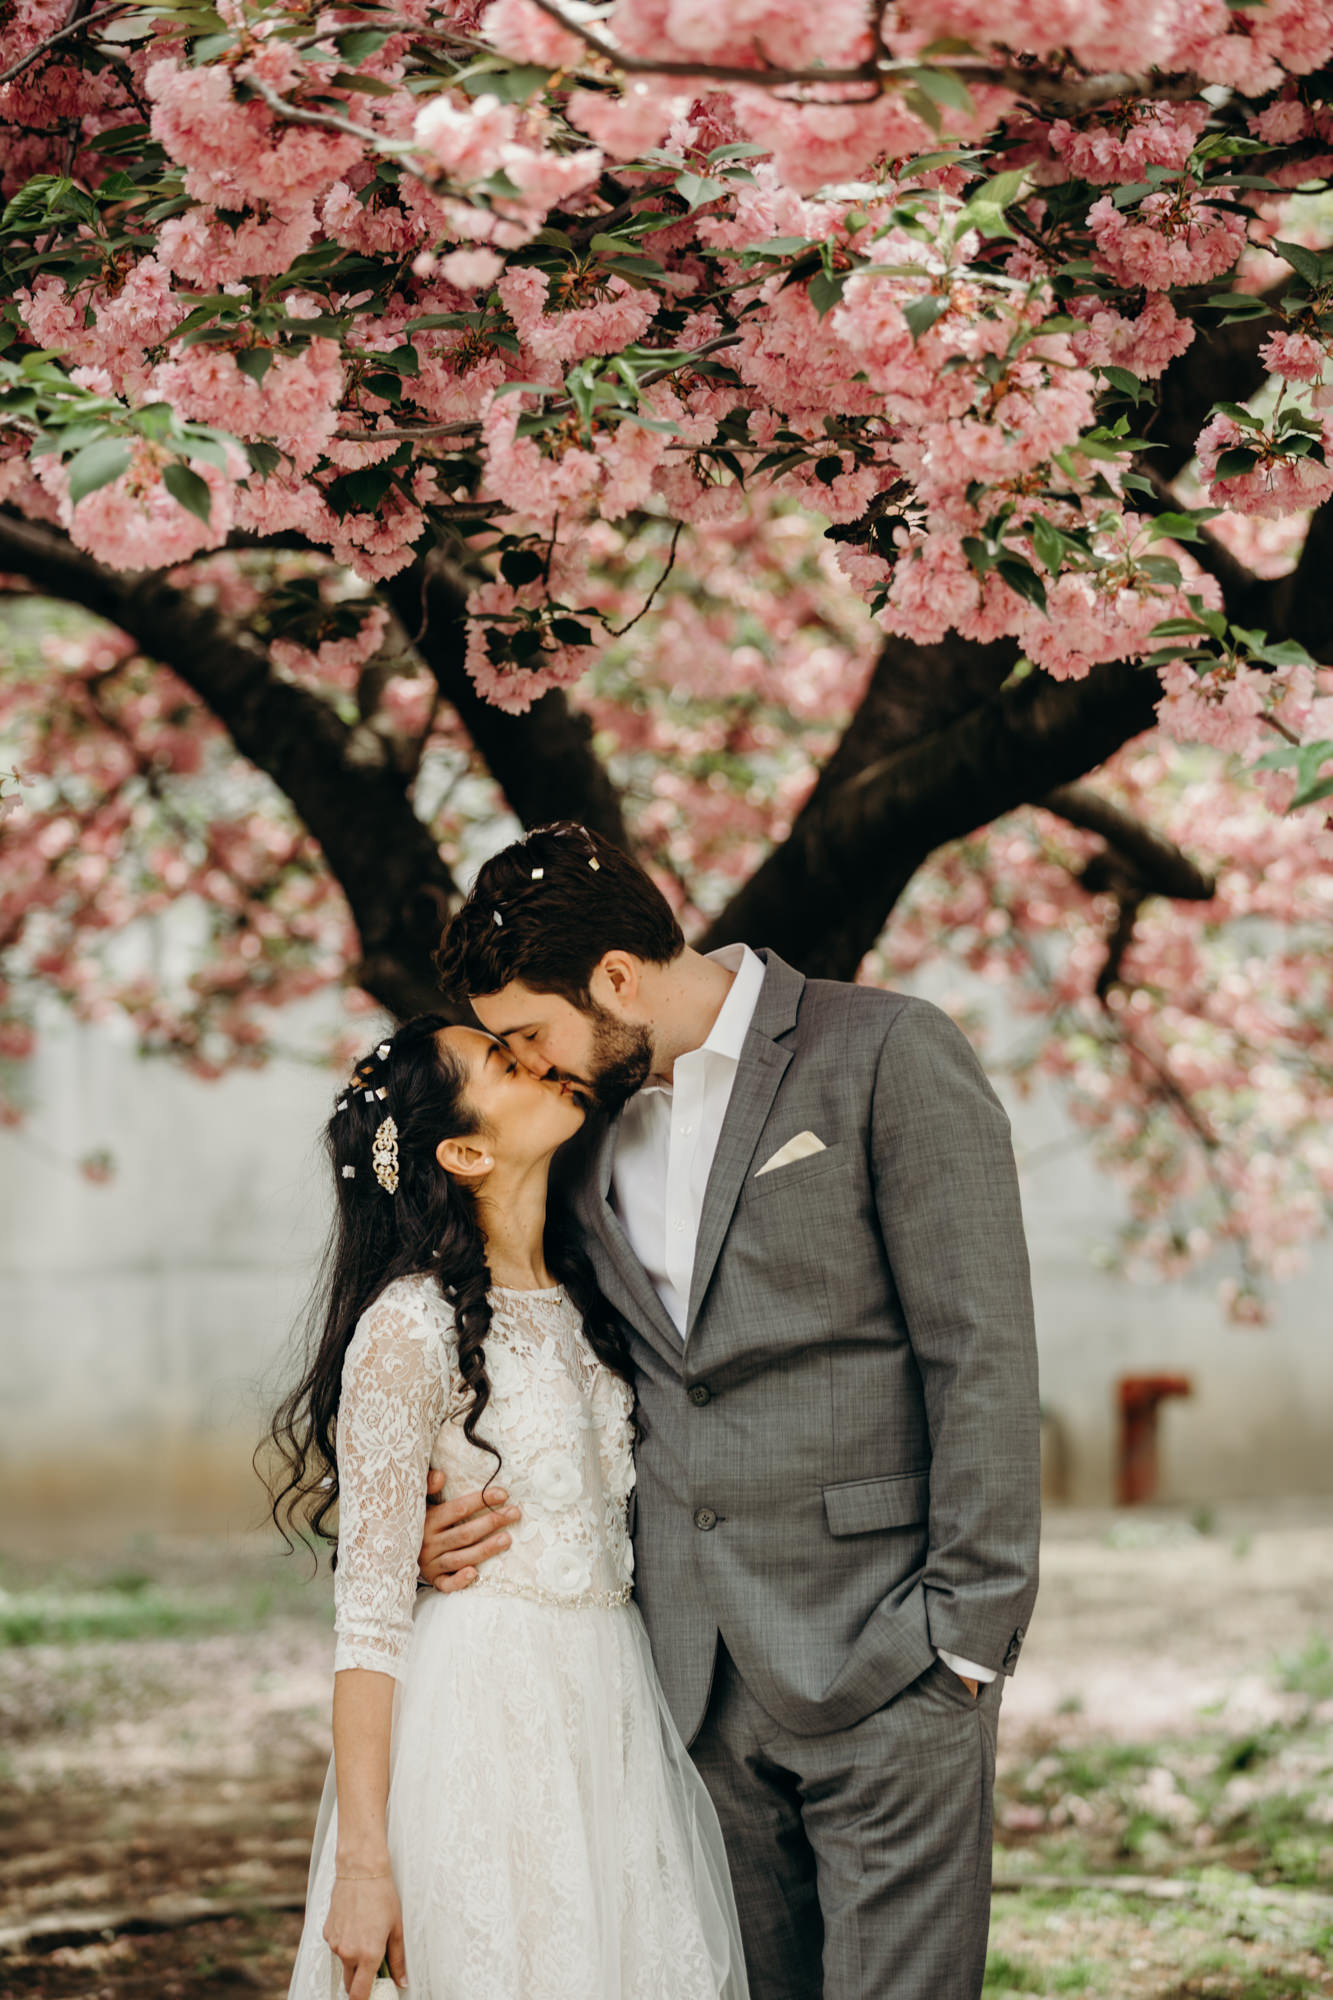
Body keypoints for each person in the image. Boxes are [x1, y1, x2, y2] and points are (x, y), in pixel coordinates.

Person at [421, 822, 1042, 2000]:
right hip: (685, 1678)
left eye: (530, 1033)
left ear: (614, 977)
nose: (529, 1064)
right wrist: (417, 1514)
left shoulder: (887, 1051)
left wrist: (966, 1634)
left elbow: (983, 1355)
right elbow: (499, 1331)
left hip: (890, 1648)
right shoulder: (580, 1124)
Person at [267, 1012, 748, 2000]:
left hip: (609, 1699)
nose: (536, 1059)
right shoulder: (408, 1327)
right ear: (465, 1148)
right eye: (503, 1060)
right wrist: (363, 1859)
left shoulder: (595, 1293)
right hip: (484, 1712)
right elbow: (365, 1621)